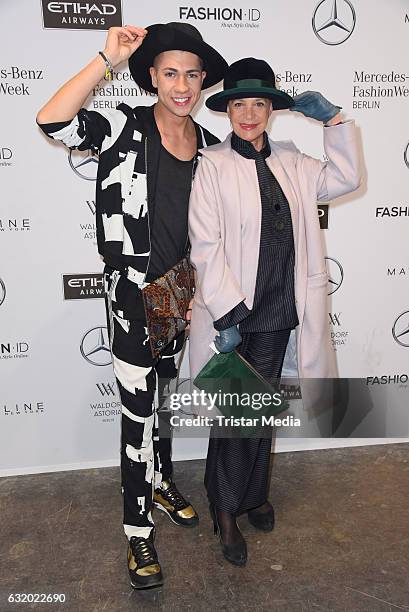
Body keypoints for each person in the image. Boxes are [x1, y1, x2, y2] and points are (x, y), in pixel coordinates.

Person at [36, 22, 227, 589]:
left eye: (192, 74)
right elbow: (52, 120)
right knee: (137, 414)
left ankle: (164, 480)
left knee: (165, 398)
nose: (182, 84)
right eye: (170, 72)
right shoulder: (123, 124)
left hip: (183, 293)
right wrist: (105, 58)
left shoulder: (213, 150)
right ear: (151, 76)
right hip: (131, 295)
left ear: (202, 82)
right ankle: (137, 533)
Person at [188, 58, 361, 566]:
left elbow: (346, 179)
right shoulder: (212, 165)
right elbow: (204, 244)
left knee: (264, 413)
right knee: (237, 416)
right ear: (228, 111)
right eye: (239, 104)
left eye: (258, 104)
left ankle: (252, 495)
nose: (248, 113)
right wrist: (227, 313)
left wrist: (334, 123)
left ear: (271, 110)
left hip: (287, 310)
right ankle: (224, 509)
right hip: (240, 315)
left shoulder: (294, 161)